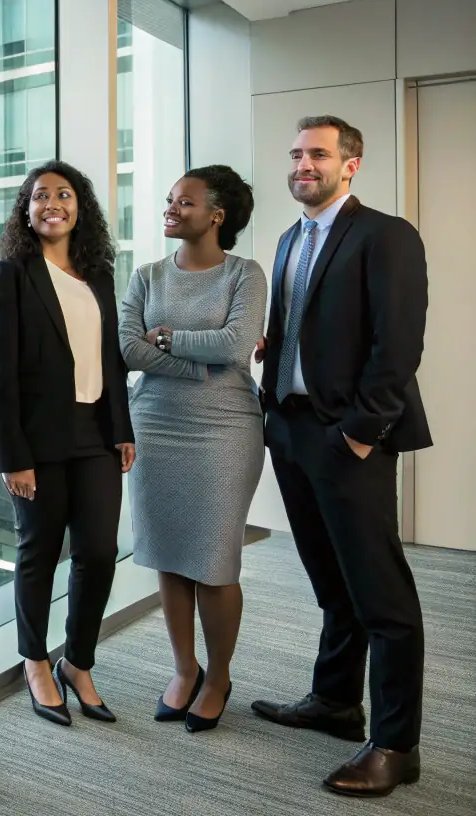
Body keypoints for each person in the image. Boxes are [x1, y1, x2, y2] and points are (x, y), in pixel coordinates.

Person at [253, 115, 429, 797]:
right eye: (295, 153)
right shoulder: (288, 238)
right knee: (330, 583)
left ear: (349, 164)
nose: (303, 164)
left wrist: (359, 431)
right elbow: (301, 326)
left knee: (381, 596)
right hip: (291, 431)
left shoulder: (383, 235)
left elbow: (397, 343)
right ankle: (333, 701)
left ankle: (394, 744)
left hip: (347, 438)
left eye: (317, 154)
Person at [0, 161, 135, 728]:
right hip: (38, 442)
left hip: (96, 432)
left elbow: (110, 358)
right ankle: (35, 660)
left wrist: (122, 426)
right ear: (26, 209)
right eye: (40, 195)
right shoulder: (10, 271)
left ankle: (80, 661)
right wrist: (11, 455)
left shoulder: (97, 272)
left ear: (80, 207)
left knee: (98, 550)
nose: (53, 203)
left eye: (64, 194)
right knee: (40, 551)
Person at [118, 165, 267, 733]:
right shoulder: (148, 275)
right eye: (169, 199)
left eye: (183, 201)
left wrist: (169, 340)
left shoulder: (245, 275)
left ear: (217, 215)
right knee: (168, 554)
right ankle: (185, 669)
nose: (170, 208)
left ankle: (220, 674)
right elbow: (128, 350)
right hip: (155, 423)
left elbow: (234, 346)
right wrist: (193, 361)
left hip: (224, 428)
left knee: (214, 559)